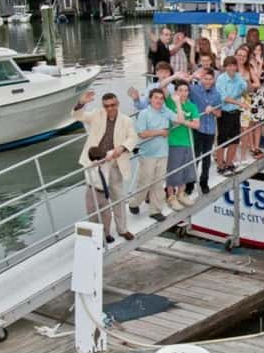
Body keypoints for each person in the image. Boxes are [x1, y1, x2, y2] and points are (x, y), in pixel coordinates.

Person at [73, 91, 138, 244]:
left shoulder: (126, 120)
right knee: (94, 201)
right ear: (103, 106)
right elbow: (77, 116)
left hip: (115, 164)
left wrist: (121, 148)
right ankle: (98, 233)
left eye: (112, 105)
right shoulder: (96, 114)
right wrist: (81, 103)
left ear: (118, 104)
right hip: (94, 164)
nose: (109, 108)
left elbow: (133, 137)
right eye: (106, 106)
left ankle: (122, 229)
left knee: (118, 197)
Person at [129, 88, 185, 222]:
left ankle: (155, 210)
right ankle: (134, 203)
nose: (159, 100)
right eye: (156, 98)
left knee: (159, 183)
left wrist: (177, 103)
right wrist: (160, 132)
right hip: (148, 154)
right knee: (145, 182)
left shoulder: (165, 111)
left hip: (163, 153)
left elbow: (180, 121)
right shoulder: (144, 113)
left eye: (161, 98)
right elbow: (141, 134)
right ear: (150, 99)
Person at [164, 80, 201, 211]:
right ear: (176, 91)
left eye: (186, 90)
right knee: (174, 170)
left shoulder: (192, 106)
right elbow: (161, 86)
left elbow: (197, 125)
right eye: (180, 90)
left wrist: (183, 121)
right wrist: (174, 76)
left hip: (188, 142)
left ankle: (181, 193)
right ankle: (171, 196)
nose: (184, 93)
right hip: (174, 142)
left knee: (186, 169)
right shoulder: (169, 102)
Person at [189, 67, 222, 194]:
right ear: (201, 79)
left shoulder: (217, 94)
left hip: (210, 129)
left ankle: (204, 182)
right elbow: (183, 85)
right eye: (205, 78)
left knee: (207, 158)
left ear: (213, 80)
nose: (208, 81)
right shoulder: (194, 89)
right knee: (195, 156)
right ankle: (190, 184)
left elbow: (219, 114)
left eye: (210, 79)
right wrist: (194, 75)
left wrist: (212, 110)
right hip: (198, 128)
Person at [215, 56, 247, 174]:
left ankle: (229, 163)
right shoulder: (221, 79)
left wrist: (248, 85)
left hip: (236, 112)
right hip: (224, 113)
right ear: (225, 67)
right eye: (229, 65)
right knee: (222, 140)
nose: (232, 68)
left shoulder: (238, 77)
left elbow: (245, 88)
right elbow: (224, 98)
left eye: (234, 65)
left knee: (235, 140)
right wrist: (239, 102)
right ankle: (220, 165)